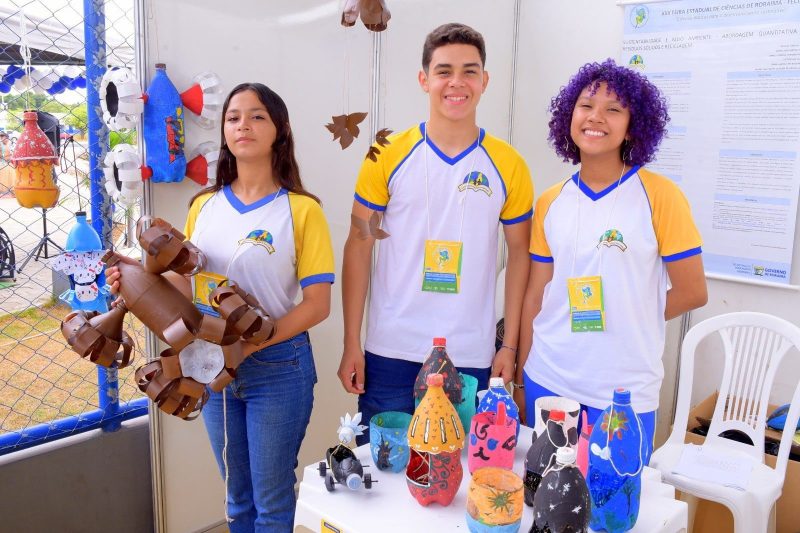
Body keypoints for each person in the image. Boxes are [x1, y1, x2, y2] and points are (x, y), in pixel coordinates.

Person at [109, 82, 334, 533]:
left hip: (277, 366)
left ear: (280, 130)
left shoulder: (302, 210)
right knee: (236, 497)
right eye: (233, 117)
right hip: (209, 363)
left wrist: (249, 346)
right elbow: (186, 282)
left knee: (271, 500)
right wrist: (135, 279)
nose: (243, 125)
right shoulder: (204, 205)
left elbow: (317, 306)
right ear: (225, 132)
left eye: (257, 116)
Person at [338, 23, 534, 444]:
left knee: (457, 470)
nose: (456, 82)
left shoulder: (509, 164)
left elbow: (521, 255)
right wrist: (351, 340)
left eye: (469, 71)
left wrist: (509, 347)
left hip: (469, 354)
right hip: (391, 350)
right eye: (444, 71)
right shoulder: (385, 154)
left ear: (485, 81)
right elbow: (359, 244)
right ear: (424, 79)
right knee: (385, 470)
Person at [514, 59, 708, 448]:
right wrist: (521, 378)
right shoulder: (551, 200)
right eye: (586, 105)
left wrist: (628, 315)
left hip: (623, 391)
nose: (596, 117)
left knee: (613, 489)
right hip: (548, 377)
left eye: (614, 109)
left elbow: (693, 292)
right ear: (569, 116)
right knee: (544, 486)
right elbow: (537, 295)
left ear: (633, 126)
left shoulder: (660, 196)